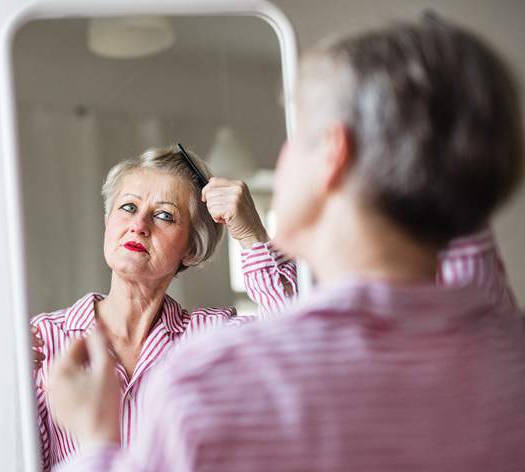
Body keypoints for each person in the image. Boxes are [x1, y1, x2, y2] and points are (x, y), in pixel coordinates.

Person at [46, 17, 525, 471]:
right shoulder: (510, 360)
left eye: (294, 136)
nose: (140, 225)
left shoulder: (212, 370)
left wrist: (95, 440)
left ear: (332, 155)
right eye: (128, 208)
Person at [30, 146, 292, 470]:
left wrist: (253, 236)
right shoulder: (42, 340)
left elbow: (300, 348)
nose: (139, 225)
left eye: (164, 215)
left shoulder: (212, 340)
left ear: (192, 249)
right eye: (128, 207)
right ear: (107, 222)